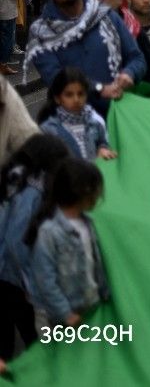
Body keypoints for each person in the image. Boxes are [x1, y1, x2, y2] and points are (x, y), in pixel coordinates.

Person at [26, 0, 146, 117]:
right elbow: (56, 78)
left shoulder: (107, 16)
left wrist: (130, 73)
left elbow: (137, 58)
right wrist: (99, 89)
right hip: (71, 123)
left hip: (117, 115)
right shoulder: (40, 31)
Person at [0, 134, 69, 361]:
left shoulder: (14, 174)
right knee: (33, 343)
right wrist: (31, 284)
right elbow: (16, 242)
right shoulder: (35, 189)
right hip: (13, 277)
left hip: (5, 272)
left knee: (6, 342)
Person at [26, 157, 109, 327]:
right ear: (83, 191)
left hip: (89, 306)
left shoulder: (88, 224)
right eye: (95, 191)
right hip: (64, 316)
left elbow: (94, 263)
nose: (98, 196)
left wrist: (104, 293)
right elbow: (45, 280)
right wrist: (65, 313)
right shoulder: (49, 233)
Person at [37, 68, 115, 162]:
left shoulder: (95, 122)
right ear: (57, 98)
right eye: (69, 95)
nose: (76, 99)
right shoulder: (48, 130)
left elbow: (102, 142)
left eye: (80, 94)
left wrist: (102, 148)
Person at [0, 0, 27, 75]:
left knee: (5, 39)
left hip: (5, 11)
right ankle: (3, 65)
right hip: (6, 12)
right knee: (7, 40)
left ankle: (3, 64)